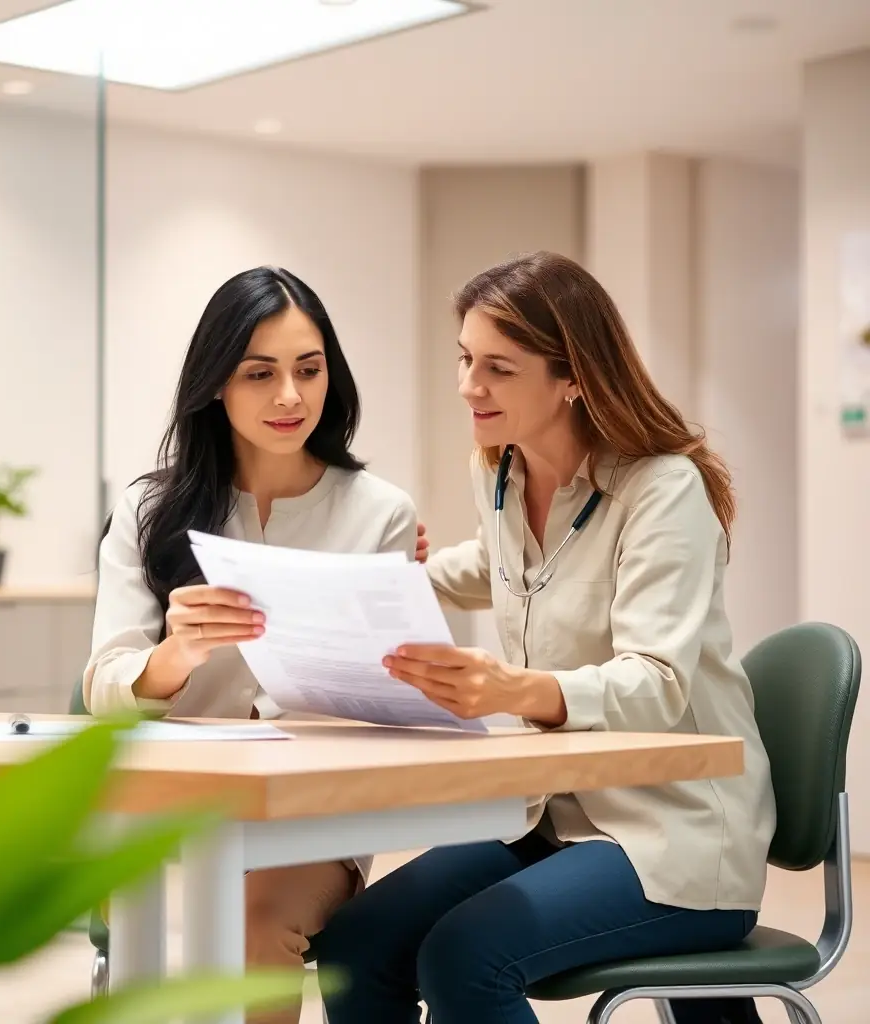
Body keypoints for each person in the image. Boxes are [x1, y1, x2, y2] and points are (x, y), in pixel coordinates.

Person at [308, 251, 775, 1024]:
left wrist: (511, 688)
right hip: (553, 817)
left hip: (675, 837)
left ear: (572, 377)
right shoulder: (500, 473)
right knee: (354, 949)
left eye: (498, 366)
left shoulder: (662, 490)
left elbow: (658, 682)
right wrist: (351, 584)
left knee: (465, 958)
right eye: (464, 359)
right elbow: (492, 569)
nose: (468, 385)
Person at [83, 265, 427, 1024]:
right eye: (260, 373)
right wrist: (175, 653)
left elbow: (400, 697)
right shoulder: (148, 507)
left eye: (309, 370)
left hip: (311, 814)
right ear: (215, 385)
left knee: (253, 911)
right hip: (168, 806)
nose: (290, 398)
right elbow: (103, 684)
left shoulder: (381, 513)